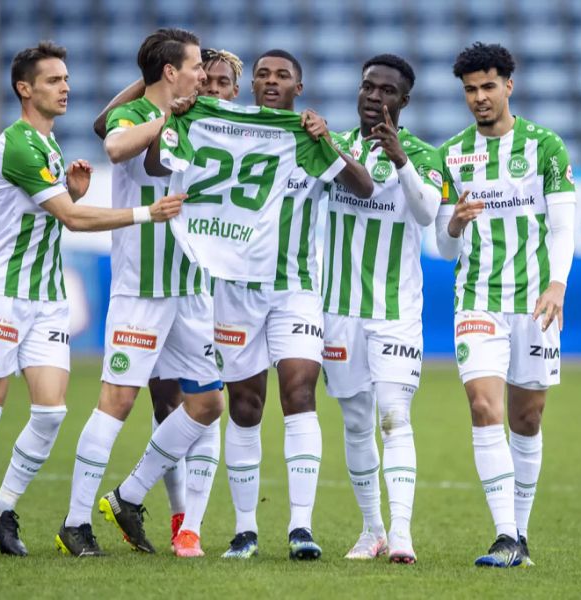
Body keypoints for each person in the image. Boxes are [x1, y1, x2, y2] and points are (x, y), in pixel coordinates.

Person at [0, 41, 184, 558]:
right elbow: (73, 221)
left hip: (46, 298)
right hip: (1, 295)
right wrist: (146, 213)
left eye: (67, 78)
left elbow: (52, 210)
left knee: (51, 412)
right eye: (54, 80)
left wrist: (71, 192)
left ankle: (3, 509)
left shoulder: (48, 146)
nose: (66, 87)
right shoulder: (19, 145)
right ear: (25, 89)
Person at [148, 49, 373, 560]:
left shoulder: (306, 137)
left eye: (283, 75)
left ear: (299, 86)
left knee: (300, 391)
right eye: (264, 75)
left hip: (295, 289)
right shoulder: (217, 125)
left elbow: (363, 186)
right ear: (251, 87)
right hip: (235, 291)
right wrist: (174, 118)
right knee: (246, 407)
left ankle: (300, 528)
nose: (272, 81)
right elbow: (159, 163)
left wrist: (328, 139)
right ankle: (246, 529)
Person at [60, 28, 224, 559]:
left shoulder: (194, 115)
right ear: (170, 72)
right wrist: (166, 109)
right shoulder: (136, 119)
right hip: (142, 289)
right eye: (196, 65)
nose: (204, 74)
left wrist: (176, 101)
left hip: (192, 286)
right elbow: (110, 141)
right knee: (118, 401)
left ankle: (129, 494)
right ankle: (75, 523)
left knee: (206, 403)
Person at [436, 42, 576, 568]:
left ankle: (521, 533)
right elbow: (445, 248)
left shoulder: (545, 147)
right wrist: (452, 225)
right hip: (477, 298)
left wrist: (557, 285)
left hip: (535, 302)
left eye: (488, 86)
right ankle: (504, 537)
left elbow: (562, 226)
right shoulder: (451, 154)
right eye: (470, 90)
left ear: (509, 86)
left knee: (528, 417)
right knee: (482, 407)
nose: (479, 98)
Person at [321, 54, 443, 564]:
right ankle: (371, 529)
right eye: (368, 87)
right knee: (354, 421)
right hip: (337, 308)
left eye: (386, 90)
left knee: (394, 417)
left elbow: (428, 213)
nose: (374, 96)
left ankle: (403, 534)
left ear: (404, 101)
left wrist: (400, 160)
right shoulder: (333, 147)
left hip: (395, 310)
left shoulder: (423, 154)